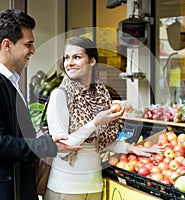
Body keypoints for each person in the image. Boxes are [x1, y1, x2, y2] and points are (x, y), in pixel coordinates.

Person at [0, 9, 81, 200]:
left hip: (14, 189)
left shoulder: (7, 80)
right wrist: (45, 145)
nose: (33, 50)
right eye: (28, 44)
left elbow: (12, 135)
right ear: (7, 45)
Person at [44, 37, 163, 200]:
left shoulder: (100, 95)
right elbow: (64, 144)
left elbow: (101, 142)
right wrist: (96, 121)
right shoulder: (60, 95)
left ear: (92, 61)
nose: (69, 62)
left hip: (94, 185)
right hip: (65, 188)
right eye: (66, 58)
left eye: (76, 57)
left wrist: (130, 148)